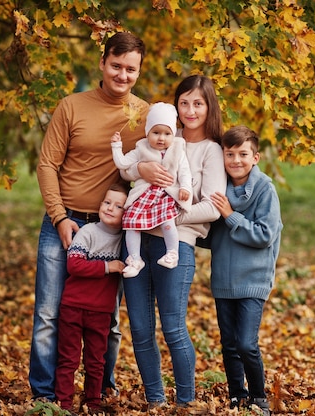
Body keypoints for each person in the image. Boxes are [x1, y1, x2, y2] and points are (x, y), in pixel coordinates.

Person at [30, 31, 149, 402]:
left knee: (108, 322)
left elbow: (170, 153)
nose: (123, 75)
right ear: (102, 63)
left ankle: (100, 390)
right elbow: (47, 164)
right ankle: (45, 397)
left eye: (131, 69)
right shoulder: (71, 106)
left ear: (139, 71)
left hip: (112, 232)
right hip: (62, 223)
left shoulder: (144, 115)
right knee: (49, 315)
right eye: (116, 66)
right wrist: (59, 216)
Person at [120, 75, 227, 410]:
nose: (190, 110)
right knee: (139, 328)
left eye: (198, 103)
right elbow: (127, 171)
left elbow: (211, 206)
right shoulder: (164, 135)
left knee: (173, 327)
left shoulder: (212, 150)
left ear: (209, 106)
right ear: (176, 106)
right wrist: (141, 167)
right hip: (137, 244)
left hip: (175, 244)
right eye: (184, 103)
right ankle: (155, 400)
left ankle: (185, 402)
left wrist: (166, 217)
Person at [208, 125, 282, 416]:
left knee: (246, 343)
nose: (236, 160)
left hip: (254, 279)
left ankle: (258, 396)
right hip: (224, 279)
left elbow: (265, 235)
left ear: (256, 157)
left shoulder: (265, 189)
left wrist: (230, 215)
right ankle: (237, 396)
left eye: (243, 154)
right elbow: (209, 234)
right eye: (230, 154)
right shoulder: (217, 188)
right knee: (229, 345)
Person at [55, 183, 128, 415]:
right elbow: (74, 264)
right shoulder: (88, 232)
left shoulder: (127, 240)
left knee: (96, 361)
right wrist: (108, 267)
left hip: (101, 312)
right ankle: (63, 404)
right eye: (107, 202)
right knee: (68, 359)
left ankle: (93, 404)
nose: (110, 208)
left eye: (118, 206)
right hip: (73, 307)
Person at [111, 102, 192, 278]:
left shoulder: (178, 148)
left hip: (165, 194)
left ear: (173, 133)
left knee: (167, 220)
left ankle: (172, 253)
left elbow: (184, 171)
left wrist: (185, 187)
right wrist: (116, 147)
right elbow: (122, 163)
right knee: (131, 222)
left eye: (167, 133)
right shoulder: (141, 148)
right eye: (156, 133)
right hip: (144, 195)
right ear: (148, 132)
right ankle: (135, 259)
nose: (161, 138)